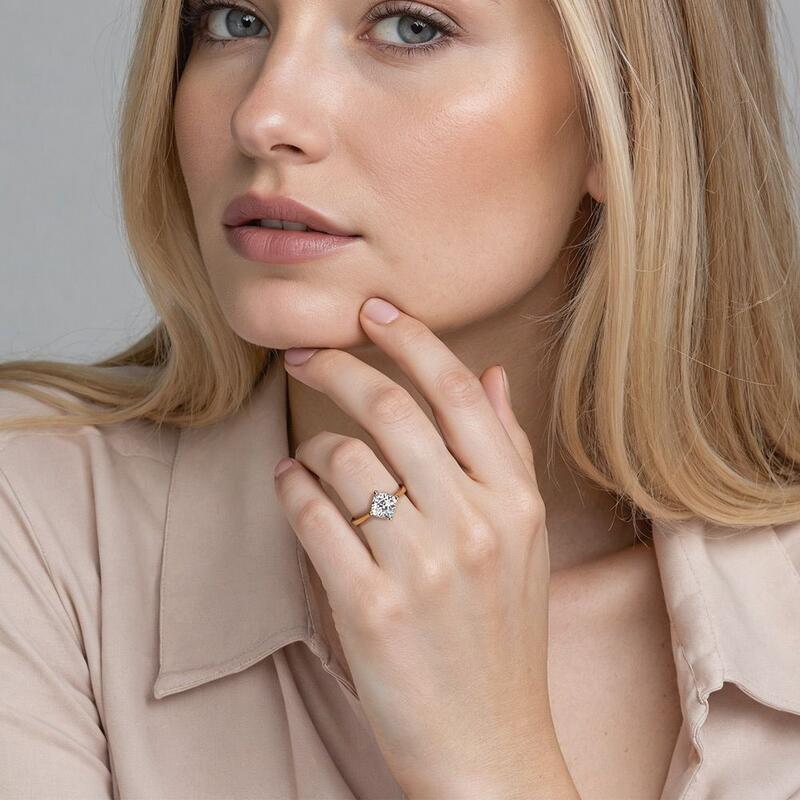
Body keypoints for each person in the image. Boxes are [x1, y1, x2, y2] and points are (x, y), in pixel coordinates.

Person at [1, 0, 799, 796]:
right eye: (235, 21)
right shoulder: (38, 533)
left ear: (624, 113)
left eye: (410, 28)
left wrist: (489, 762)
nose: (264, 116)